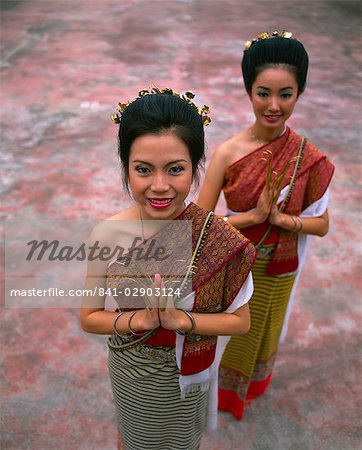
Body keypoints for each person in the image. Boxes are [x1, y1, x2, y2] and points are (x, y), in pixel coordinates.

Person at [80, 86, 256, 450]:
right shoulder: (108, 233)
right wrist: (139, 321)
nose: (159, 186)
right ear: (126, 168)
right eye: (143, 169)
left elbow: (240, 321)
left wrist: (181, 321)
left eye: (175, 169)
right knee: (134, 437)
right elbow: (90, 317)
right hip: (132, 368)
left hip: (189, 372)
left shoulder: (216, 237)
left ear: (195, 168)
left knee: (181, 442)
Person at [197, 31, 335, 420]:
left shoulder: (308, 157)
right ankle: (218, 399)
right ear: (248, 90)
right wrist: (254, 218)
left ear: (299, 92)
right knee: (232, 336)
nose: (273, 106)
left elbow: (322, 225)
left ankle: (249, 390)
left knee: (266, 330)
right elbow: (200, 225)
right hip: (238, 266)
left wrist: (282, 220)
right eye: (263, 93)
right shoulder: (228, 153)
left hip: (280, 269)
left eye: (286, 94)